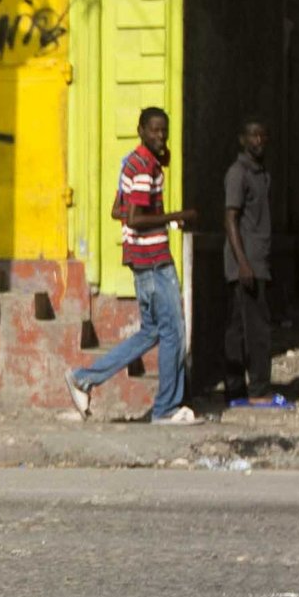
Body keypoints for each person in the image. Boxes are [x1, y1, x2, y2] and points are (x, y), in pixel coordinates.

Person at [69, 105, 200, 424]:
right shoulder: (144, 166)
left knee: (151, 331)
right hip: (154, 261)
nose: (160, 136)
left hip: (139, 259)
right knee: (173, 333)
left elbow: (118, 210)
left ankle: (84, 378)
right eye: (154, 130)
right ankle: (166, 408)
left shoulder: (133, 161)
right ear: (140, 129)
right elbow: (134, 218)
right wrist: (175, 217)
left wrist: (155, 219)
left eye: (164, 131)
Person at [222, 116, 286, 407]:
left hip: (257, 258)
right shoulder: (239, 174)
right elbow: (230, 219)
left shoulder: (262, 174)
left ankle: (235, 391)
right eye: (252, 136)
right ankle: (259, 390)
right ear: (242, 139)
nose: (258, 141)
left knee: (238, 328)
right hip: (247, 263)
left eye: (262, 136)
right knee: (257, 329)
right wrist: (243, 263)